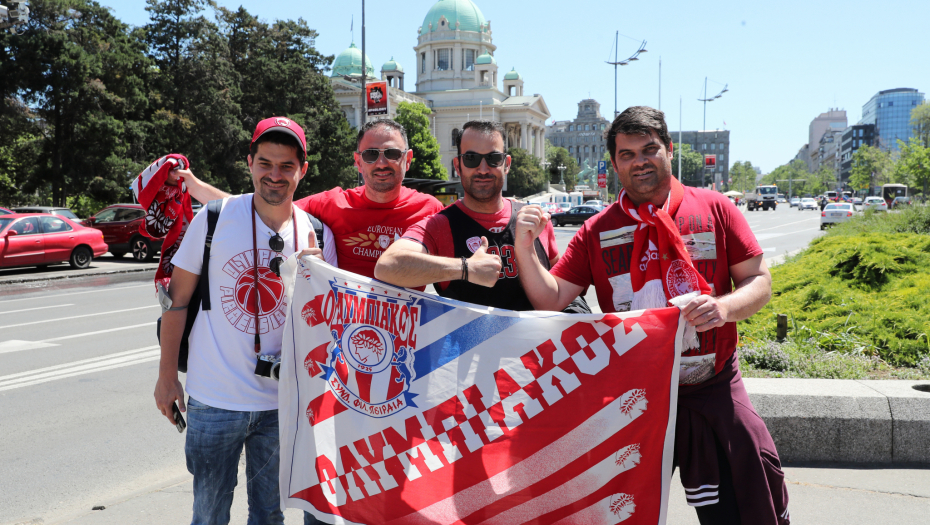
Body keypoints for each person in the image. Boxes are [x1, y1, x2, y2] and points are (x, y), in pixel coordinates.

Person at [513, 106, 790, 525]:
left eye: (649, 149)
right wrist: (524, 247)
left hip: (713, 387)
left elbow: (759, 281)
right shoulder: (595, 230)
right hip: (634, 396)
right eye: (627, 154)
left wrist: (723, 308)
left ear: (669, 150)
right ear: (614, 164)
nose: (639, 161)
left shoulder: (716, 207)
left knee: (747, 506)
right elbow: (550, 300)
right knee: (615, 513)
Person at [154, 117, 324, 525]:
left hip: (281, 403)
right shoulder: (214, 218)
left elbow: (321, 320)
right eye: (265, 163)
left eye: (286, 166)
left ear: (302, 170)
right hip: (215, 400)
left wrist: (315, 278)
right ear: (250, 163)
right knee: (209, 515)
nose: (274, 174)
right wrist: (166, 377)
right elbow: (176, 302)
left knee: (269, 516)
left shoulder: (314, 232)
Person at [374, 120, 562, 310]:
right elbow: (387, 266)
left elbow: (563, 290)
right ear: (458, 166)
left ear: (506, 164)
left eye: (493, 158)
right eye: (471, 158)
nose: (483, 169)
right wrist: (465, 269)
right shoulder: (440, 225)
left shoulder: (535, 221)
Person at [293, 119, 445, 278]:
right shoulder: (331, 203)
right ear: (358, 161)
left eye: (392, 153)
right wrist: (318, 267)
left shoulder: (431, 210)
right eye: (370, 154)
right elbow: (280, 214)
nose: (381, 164)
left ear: (407, 159)